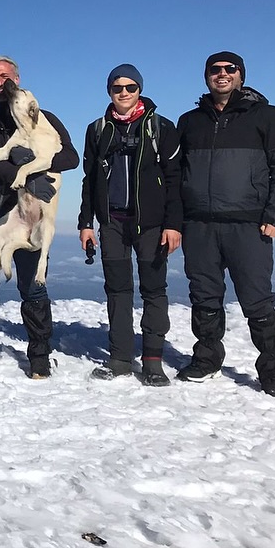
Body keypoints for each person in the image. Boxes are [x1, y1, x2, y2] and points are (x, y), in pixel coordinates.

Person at [176, 52, 275, 397]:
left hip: (249, 224)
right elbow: (174, 174)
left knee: (257, 300)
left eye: (230, 69)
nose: (222, 74)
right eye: (215, 70)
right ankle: (207, 359)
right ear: (206, 76)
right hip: (199, 224)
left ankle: (272, 368)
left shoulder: (269, 117)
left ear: (241, 75)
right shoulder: (191, 121)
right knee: (204, 297)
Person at [0, 56, 78, 378]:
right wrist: (26, 171)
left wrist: (39, 166)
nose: (0, 83)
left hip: (31, 209)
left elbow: (70, 156)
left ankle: (39, 356)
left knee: (33, 286)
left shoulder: (44, 117)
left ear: (17, 78)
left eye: (5, 76)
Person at [77, 65, 182, 386]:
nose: (123, 93)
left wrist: (174, 224)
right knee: (118, 291)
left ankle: (152, 361)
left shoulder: (161, 128)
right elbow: (90, 179)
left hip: (152, 226)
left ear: (140, 89)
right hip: (112, 224)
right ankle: (121, 357)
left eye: (130, 87)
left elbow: (176, 180)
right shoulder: (97, 130)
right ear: (109, 91)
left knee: (153, 290)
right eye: (117, 87)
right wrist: (86, 223)